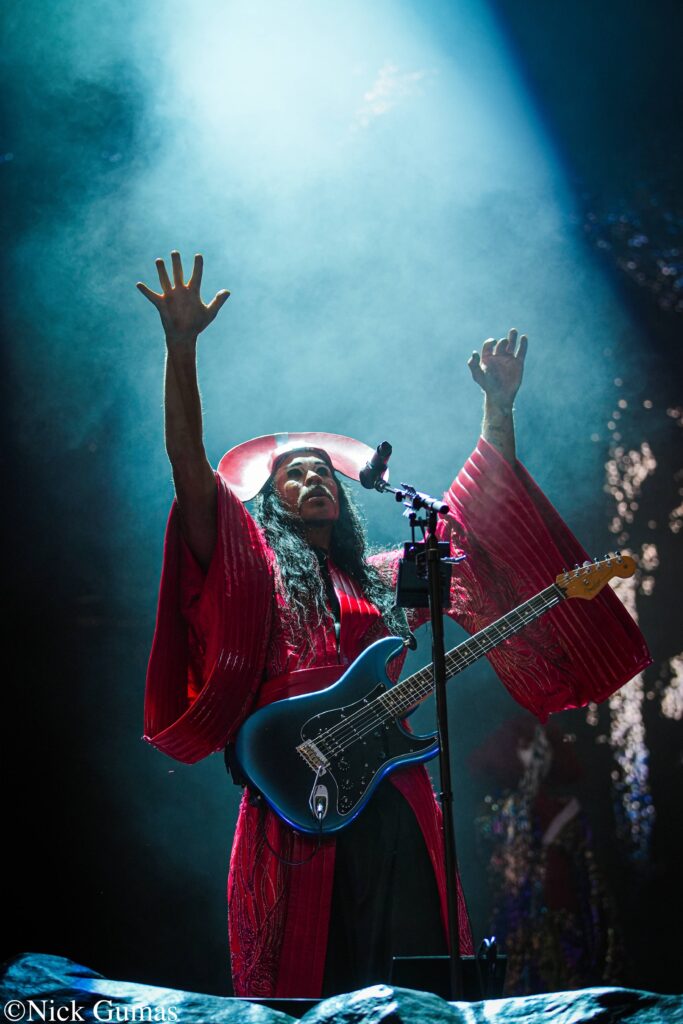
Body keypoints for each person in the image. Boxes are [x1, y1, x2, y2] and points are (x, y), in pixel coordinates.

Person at [138, 251, 650, 999]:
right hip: (294, 783)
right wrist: (181, 350)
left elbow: (474, 525)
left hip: (393, 783)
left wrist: (497, 409)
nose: (315, 480)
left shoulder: (378, 576)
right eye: (295, 475)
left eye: (324, 476)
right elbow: (190, 472)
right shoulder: (249, 570)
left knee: (415, 969)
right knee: (309, 971)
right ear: (271, 503)